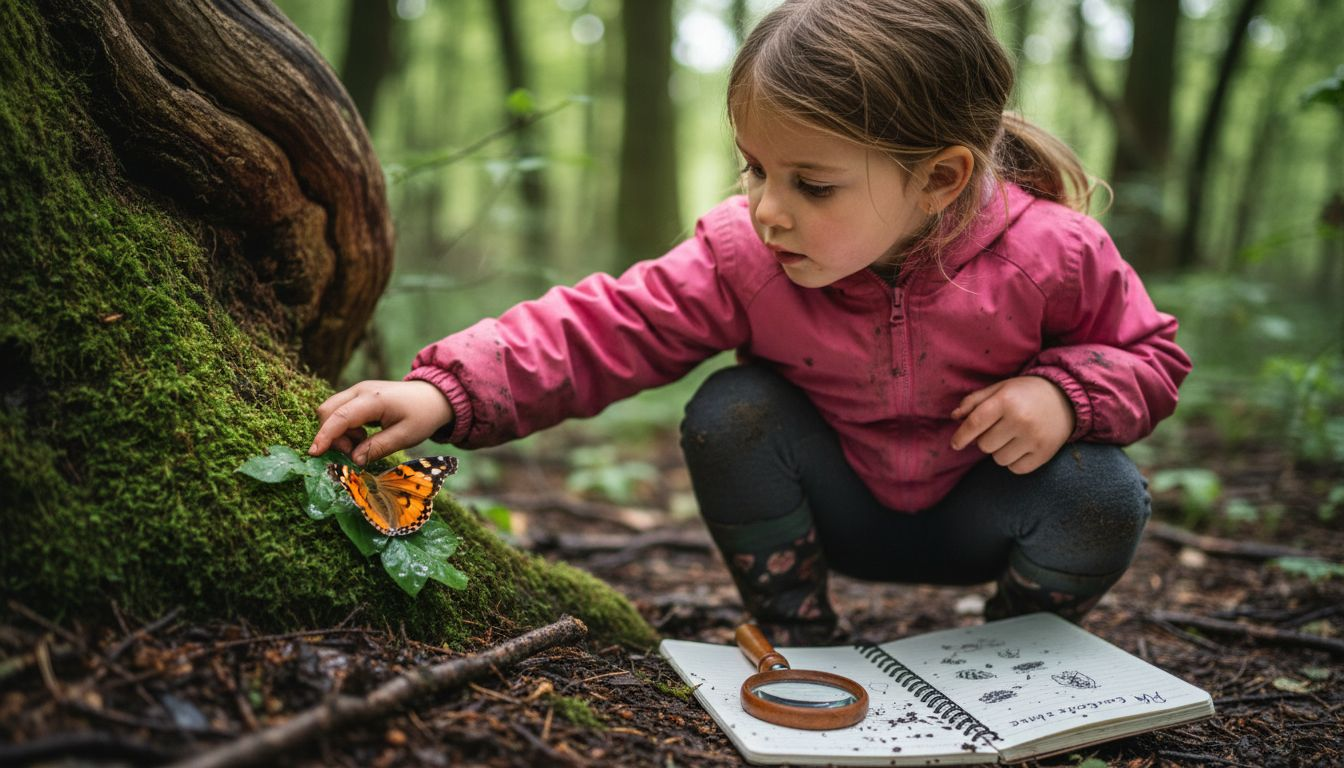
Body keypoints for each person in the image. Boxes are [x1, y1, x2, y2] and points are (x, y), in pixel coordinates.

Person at [310, 0, 1191, 644]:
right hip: (832, 512)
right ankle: (798, 632)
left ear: (939, 178)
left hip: (987, 514)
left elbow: (1152, 355)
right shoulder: (746, 255)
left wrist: (1066, 395)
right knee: (732, 409)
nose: (769, 208)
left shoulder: (1053, 253)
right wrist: (447, 390)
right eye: (756, 169)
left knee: (1103, 492)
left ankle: (1012, 652)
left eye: (812, 184)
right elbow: (611, 325)